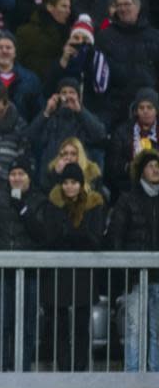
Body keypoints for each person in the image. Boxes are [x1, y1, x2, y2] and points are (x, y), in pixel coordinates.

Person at [0, 157, 47, 371]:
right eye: (13, 174)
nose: (16, 178)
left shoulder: (39, 200)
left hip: (28, 271)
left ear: (29, 177)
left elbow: (41, 233)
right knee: (1, 324)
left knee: (27, 325)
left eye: (21, 174)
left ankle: (23, 373)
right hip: (2, 270)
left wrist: (23, 209)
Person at [42, 162, 105, 371]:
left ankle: (78, 373)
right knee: (59, 326)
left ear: (81, 184)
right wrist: (77, 235)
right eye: (66, 182)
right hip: (58, 275)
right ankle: (64, 374)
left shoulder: (93, 205)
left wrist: (69, 234)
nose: (69, 187)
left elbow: (95, 240)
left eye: (74, 182)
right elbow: (50, 239)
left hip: (83, 275)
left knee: (80, 326)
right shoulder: (53, 205)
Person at [107, 149, 159, 371]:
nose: (156, 169)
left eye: (158, 165)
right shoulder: (127, 200)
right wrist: (124, 272)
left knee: (157, 329)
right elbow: (116, 237)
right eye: (151, 165)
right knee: (134, 328)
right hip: (135, 276)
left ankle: (155, 377)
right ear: (140, 171)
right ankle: (133, 377)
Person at [95, 0, 159, 128]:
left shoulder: (155, 36)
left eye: (127, 4)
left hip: (149, 105)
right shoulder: (104, 37)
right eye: (119, 5)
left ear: (137, 6)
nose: (123, 9)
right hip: (116, 108)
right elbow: (98, 77)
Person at [26, 78, 106, 178]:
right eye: (64, 92)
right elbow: (29, 137)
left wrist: (80, 111)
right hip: (51, 176)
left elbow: (100, 135)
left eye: (72, 92)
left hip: (78, 177)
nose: (68, 96)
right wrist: (46, 112)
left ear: (78, 96)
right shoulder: (50, 118)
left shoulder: (84, 117)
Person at [108, 88, 159, 198]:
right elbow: (113, 165)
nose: (145, 111)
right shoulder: (121, 132)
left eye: (149, 107)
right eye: (141, 108)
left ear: (156, 110)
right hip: (128, 187)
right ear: (136, 111)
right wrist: (130, 167)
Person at [16, 0, 73, 83]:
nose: (68, 11)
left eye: (69, 7)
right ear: (50, 7)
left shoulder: (70, 34)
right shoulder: (27, 32)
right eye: (64, 6)